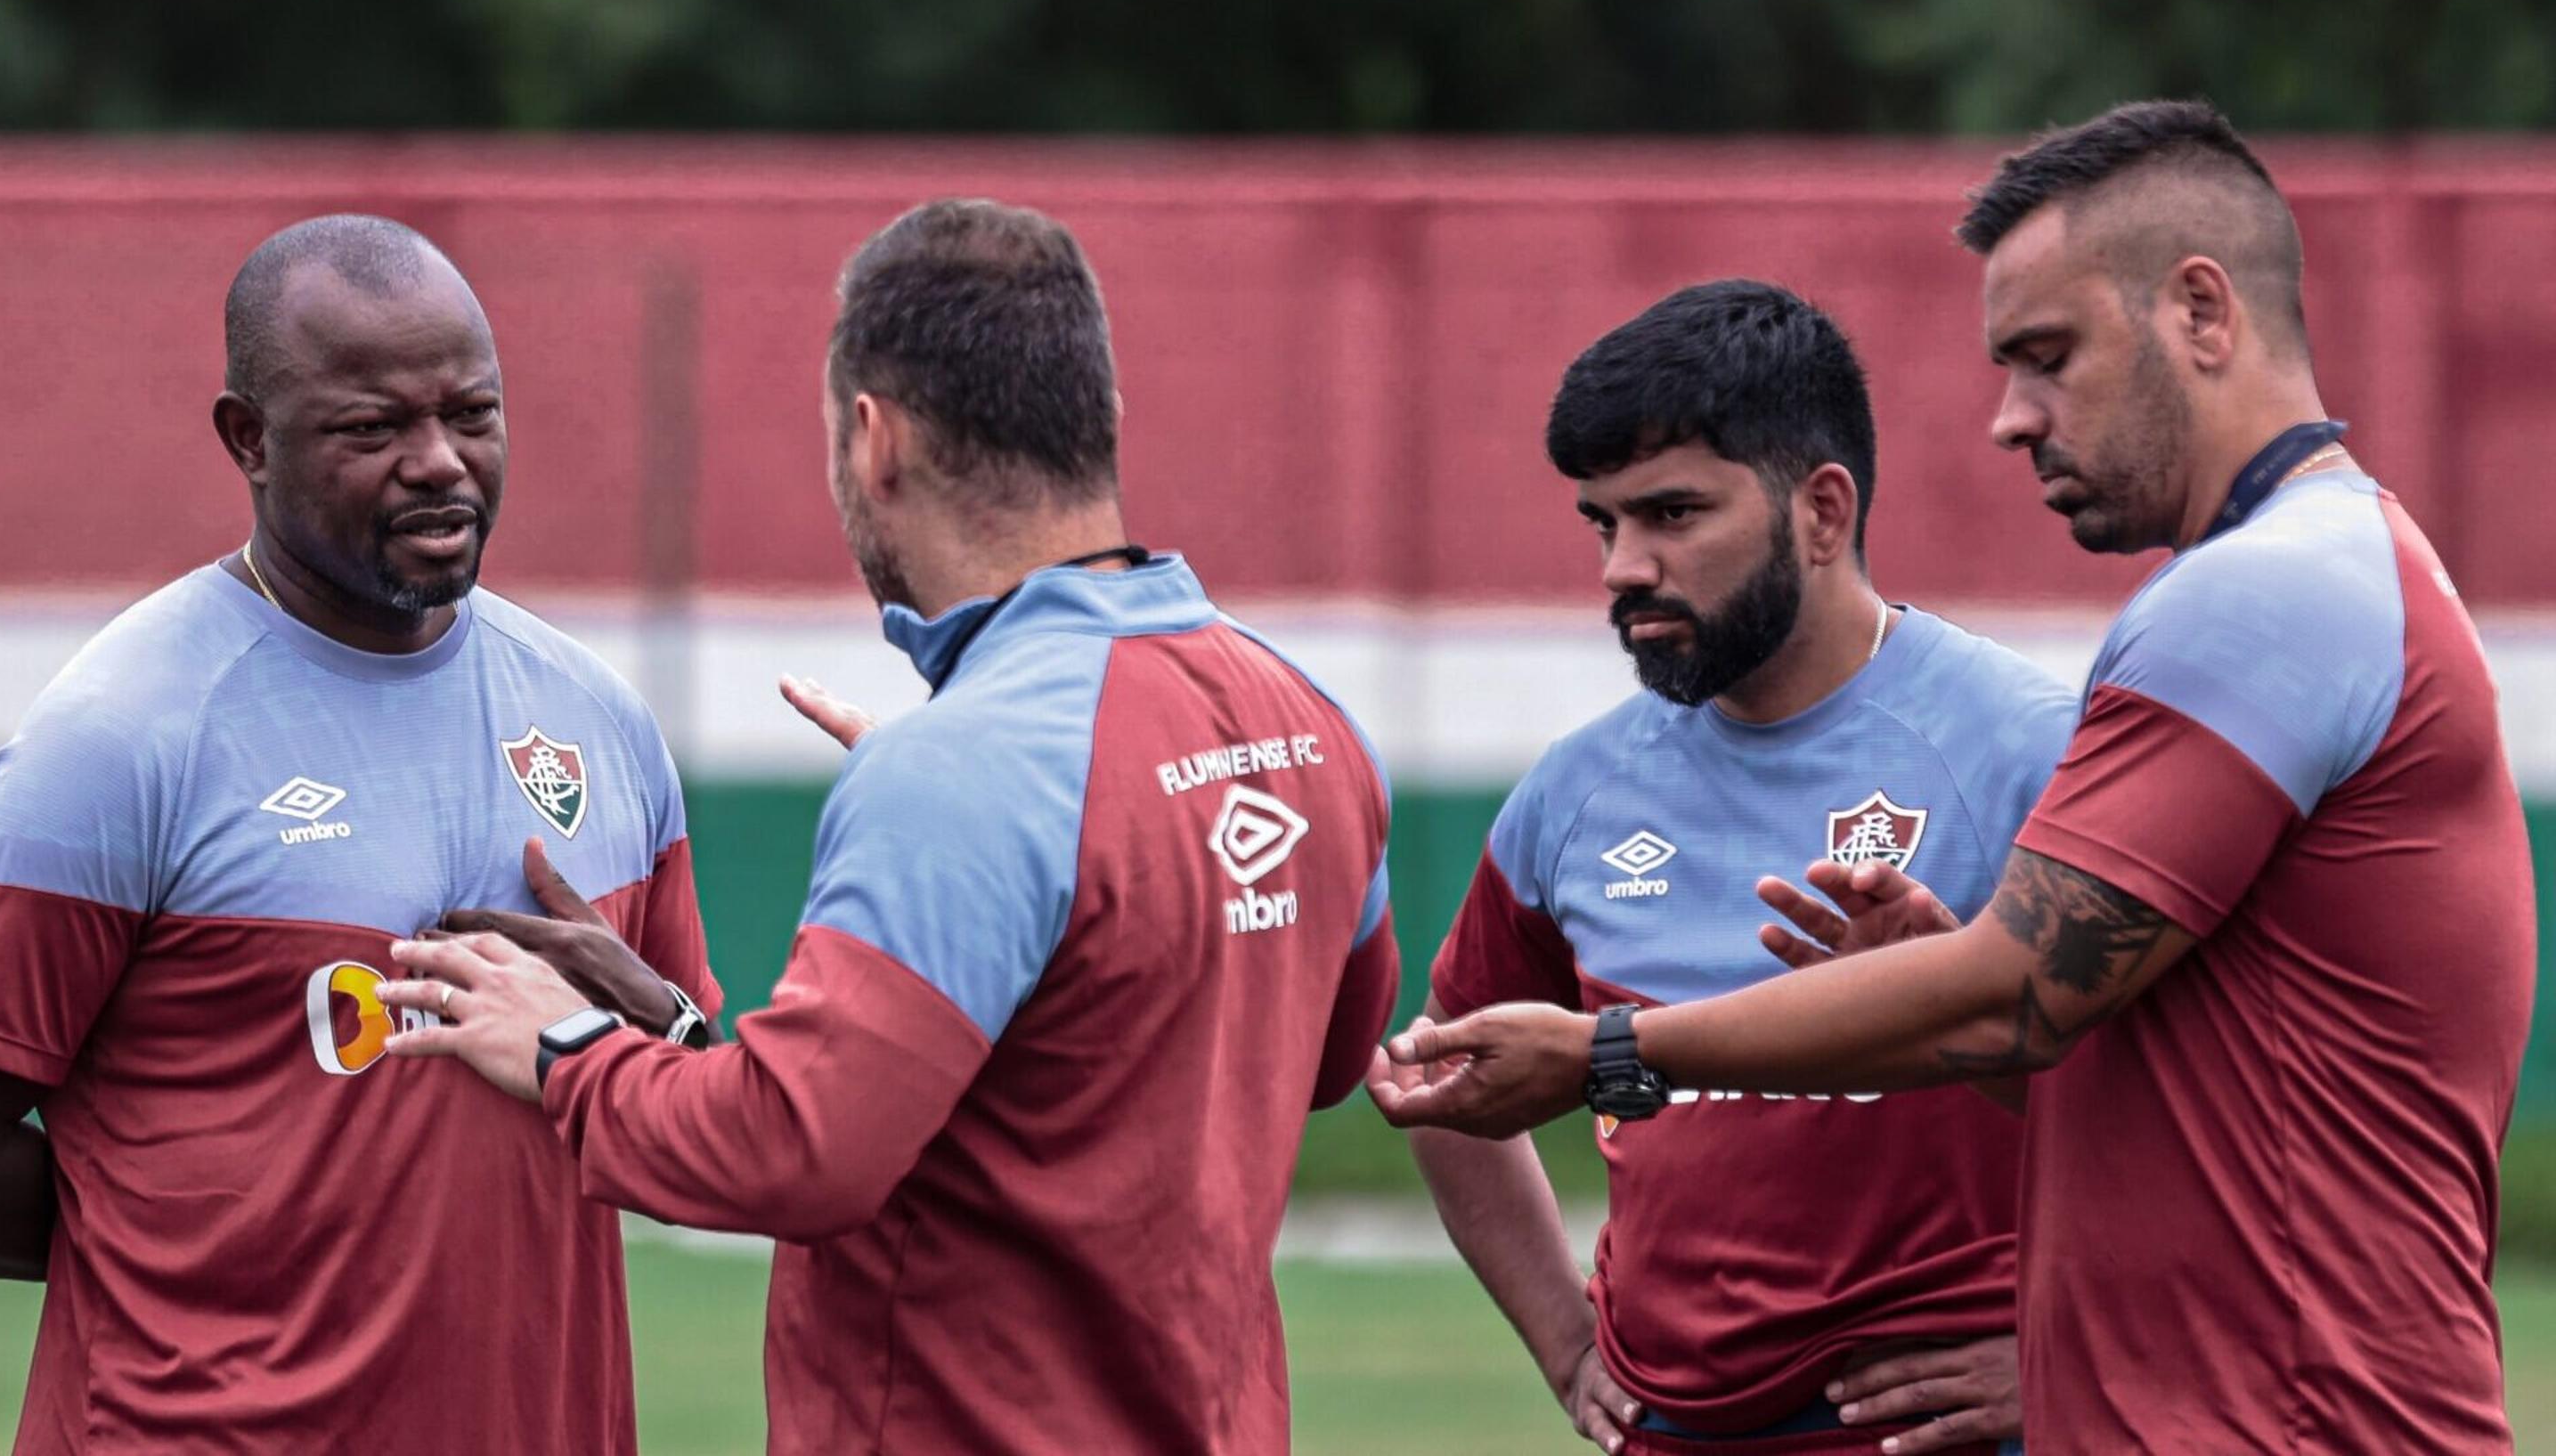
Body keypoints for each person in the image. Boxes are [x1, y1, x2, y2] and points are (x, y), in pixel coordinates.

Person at [1374, 102, 2533, 1452]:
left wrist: (1610, 1054)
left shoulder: (2259, 597)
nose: (2007, 419)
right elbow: (2119, 1064)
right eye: (1604, 524)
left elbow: (2018, 995)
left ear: (2203, 314)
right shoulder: (2331, 567)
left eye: (2049, 356)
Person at [383, 199, 1401, 1455]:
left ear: (876, 440)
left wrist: (562, 1048)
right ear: (1099, 423)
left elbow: (794, 1156)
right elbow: (1323, 1056)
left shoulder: (961, 774)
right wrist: (678, 1024)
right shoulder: (1307, 717)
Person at [0, 215, 720, 1454]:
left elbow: (696, 1129)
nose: (440, 464)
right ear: (248, 440)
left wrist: (659, 1023)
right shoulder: (119, 735)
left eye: (472, 414)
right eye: (373, 429)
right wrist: (182, 1275)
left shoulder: (599, 723)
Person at [1421, 282, 2065, 1456]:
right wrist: (1568, 1346)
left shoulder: (2033, 755)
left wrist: (2082, 1357)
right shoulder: (1574, 796)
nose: (1623, 566)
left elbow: (2211, 1111)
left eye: (1671, 514)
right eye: (1602, 523)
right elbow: (1443, 1085)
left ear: (1822, 511)